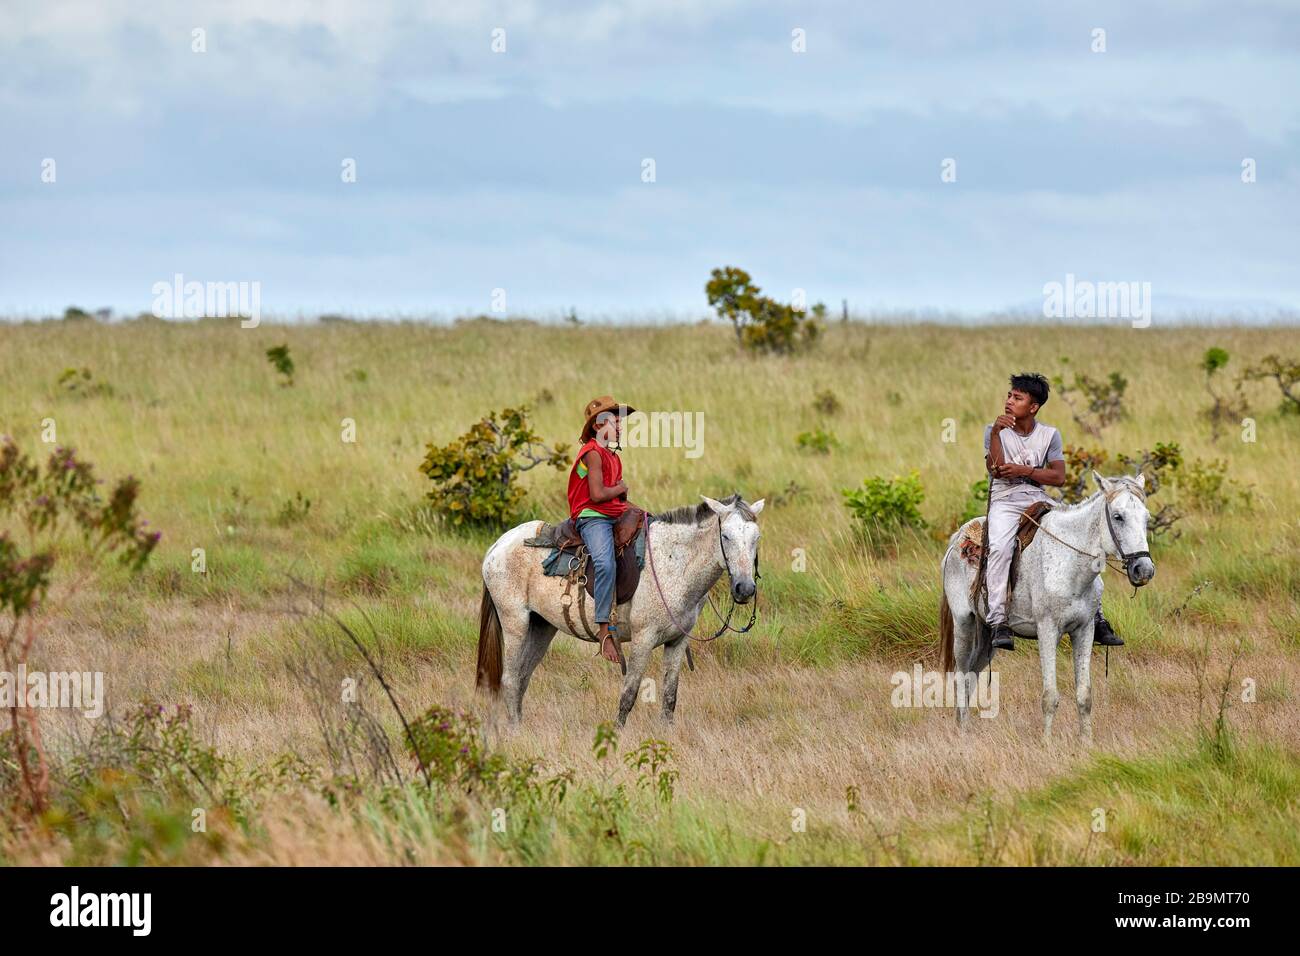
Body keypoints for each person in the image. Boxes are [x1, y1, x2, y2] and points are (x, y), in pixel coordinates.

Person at [984, 372, 1124, 651]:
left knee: (1083, 543)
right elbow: (995, 468)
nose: (1009, 401)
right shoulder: (994, 430)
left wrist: (1025, 471)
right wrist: (999, 433)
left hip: (1038, 500)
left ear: (1033, 407)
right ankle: (998, 620)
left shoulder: (1049, 435)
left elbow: (1059, 477)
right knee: (999, 547)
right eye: (1009, 396)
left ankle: (1097, 615)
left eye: (1018, 397)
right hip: (1005, 501)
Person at [566, 396, 642, 665]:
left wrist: (640, 512)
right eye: (614, 420)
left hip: (612, 513)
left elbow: (618, 501)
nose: (620, 425)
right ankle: (604, 630)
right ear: (598, 427)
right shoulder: (593, 453)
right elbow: (597, 495)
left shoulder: (612, 456)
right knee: (605, 563)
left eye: (621, 420)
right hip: (592, 517)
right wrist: (621, 489)